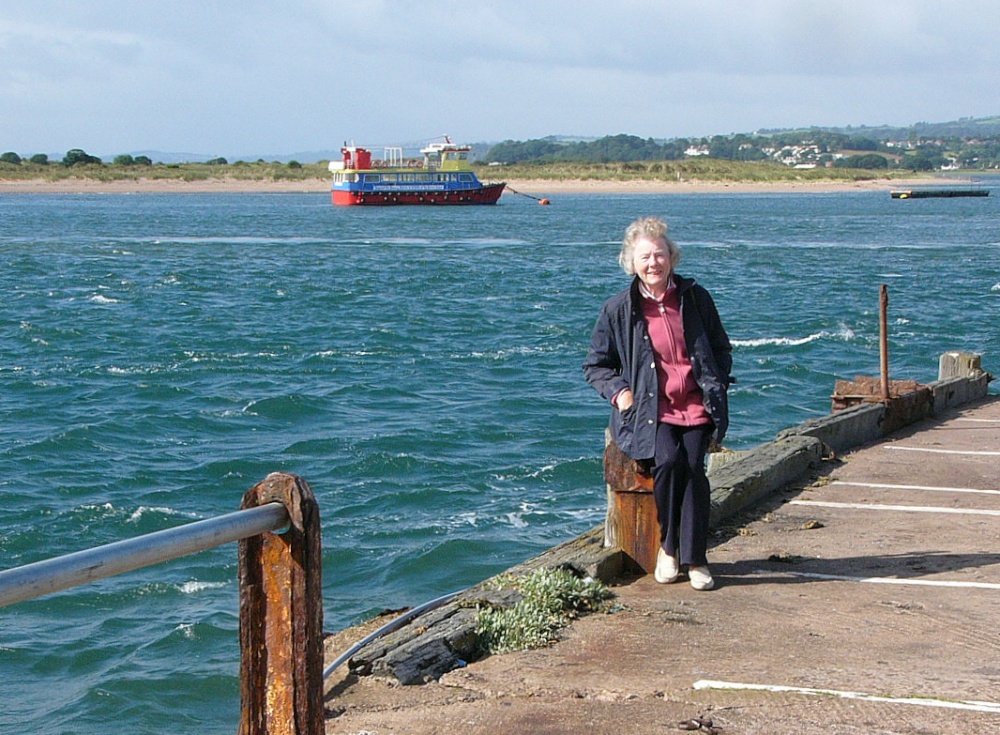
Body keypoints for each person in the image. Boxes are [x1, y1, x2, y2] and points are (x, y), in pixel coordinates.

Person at [583, 216, 732, 591]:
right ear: (632, 263)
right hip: (650, 411)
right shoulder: (618, 309)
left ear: (672, 258)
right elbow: (596, 366)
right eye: (645, 257)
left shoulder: (696, 298)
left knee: (694, 467)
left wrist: (715, 383)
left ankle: (696, 558)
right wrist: (622, 394)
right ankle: (669, 547)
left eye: (660, 255)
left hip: (696, 405)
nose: (654, 263)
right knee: (668, 462)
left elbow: (720, 347)